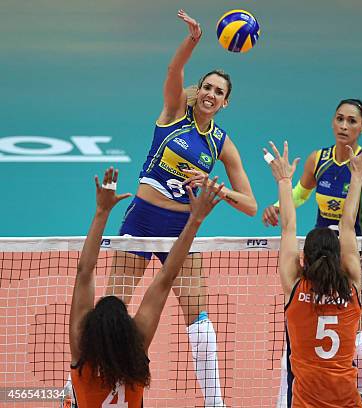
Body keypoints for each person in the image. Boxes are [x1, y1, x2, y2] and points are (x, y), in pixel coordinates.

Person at [97, 10, 257, 407]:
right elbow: (173, 69)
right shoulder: (172, 115)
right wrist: (193, 40)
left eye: (219, 91)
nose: (211, 94)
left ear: (226, 102)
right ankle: (80, 381)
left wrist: (213, 186)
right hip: (140, 220)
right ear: (197, 90)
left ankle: (215, 402)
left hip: (181, 232)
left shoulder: (221, 144)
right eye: (207, 87)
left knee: (197, 318)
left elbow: (250, 206)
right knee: (113, 308)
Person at [263, 99, 362, 404]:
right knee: (338, 325)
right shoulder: (318, 160)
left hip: (357, 255)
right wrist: (277, 206)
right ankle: (353, 387)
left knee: (352, 329)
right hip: (321, 254)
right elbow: (302, 194)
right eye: (340, 119)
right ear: (332, 121)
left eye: (352, 121)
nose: (344, 126)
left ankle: (361, 382)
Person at [66, 167, 222, 407]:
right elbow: (167, 275)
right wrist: (195, 220)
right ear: (129, 330)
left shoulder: (82, 355)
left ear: (90, 330)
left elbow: (84, 272)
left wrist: (101, 211)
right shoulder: (137, 350)